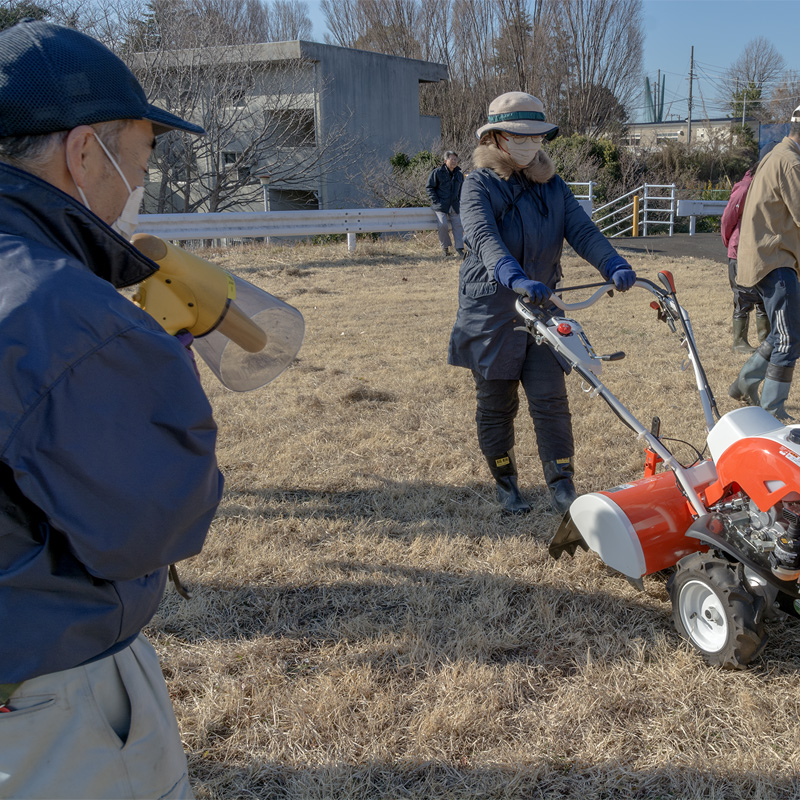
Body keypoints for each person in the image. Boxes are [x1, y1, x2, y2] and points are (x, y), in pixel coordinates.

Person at [0, 20, 223, 799]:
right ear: (84, 152)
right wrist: (158, 361)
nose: (141, 184)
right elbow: (159, 514)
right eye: (142, 157)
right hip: (45, 702)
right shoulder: (59, 309)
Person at [447, 92, 637, 515]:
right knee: (497, 403)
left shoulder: (551, 184)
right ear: (496, 138)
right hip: (492, 311)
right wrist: (513, 277)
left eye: (537, 137)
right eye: (520, 136)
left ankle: (563, 485)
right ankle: (505, 483)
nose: (530, 145)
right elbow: (482, 238)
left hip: (544, 305)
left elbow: (581, 230)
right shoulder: (477, 183)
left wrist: (612, 262)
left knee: (551, 398)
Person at [729, 104, 800, 422]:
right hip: (775, 259)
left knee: (783, 331)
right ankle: (772, 408)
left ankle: (745, 382)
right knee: (788, 337)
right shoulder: (791, 162)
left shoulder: (775, 156)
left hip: (766, 257)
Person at [720, 161, 770, 353]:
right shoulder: (746, 187)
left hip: (762, 249)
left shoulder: (767, 184)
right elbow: (727, 219)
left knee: (764, 296)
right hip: (741, 249)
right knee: (742, 295)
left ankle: (765, 339)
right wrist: (731, 242)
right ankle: (739, 341)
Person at [426, 150, 465, 258]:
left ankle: (459, 249)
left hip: (454, 205)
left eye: (455, 159)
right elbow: (429, 187)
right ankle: (445, 249)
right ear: (445, 160)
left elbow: (462, 190)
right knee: (442, 225)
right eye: (452, 159)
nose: (454, 161)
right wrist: (436, 200)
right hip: (441, 205)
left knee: (458, 225)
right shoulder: (437, 172)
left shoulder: (459, 174)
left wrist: (460, 201)